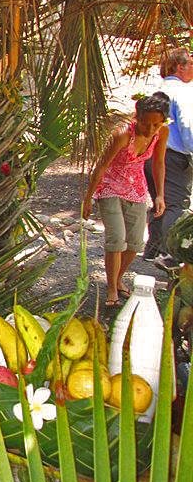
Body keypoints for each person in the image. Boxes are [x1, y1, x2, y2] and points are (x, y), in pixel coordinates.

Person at [83, 92, 170, 307]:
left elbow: (159, 163)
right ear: (137, 117)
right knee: (116, 239)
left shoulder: (162, 132)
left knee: (135, 242)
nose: (150, 129)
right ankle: (112, 288)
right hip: (111, 187)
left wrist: (159, 194)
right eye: (146, 123)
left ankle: (118, 277)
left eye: (156, 125)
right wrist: (88, 198)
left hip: (136, 188)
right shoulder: (122, 134)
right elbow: (102, 165)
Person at [144, 48, 193, 269]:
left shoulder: (157, 90)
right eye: (190, 64)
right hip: (172, 155)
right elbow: (187, 124)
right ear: (179, 67)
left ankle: (153, 249)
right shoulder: (182, 91)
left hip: (150, 152)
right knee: (175, 205)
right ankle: (170, 255)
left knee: (159, 201)